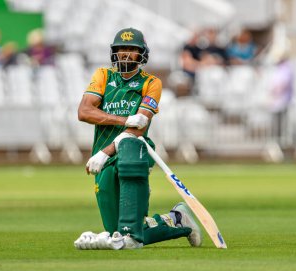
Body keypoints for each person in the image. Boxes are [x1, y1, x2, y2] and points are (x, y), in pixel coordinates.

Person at [75, 27, 202, 250]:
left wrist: (107, 151)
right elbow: (84, 112)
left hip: (133, 151)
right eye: (121, 49)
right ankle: (177, 220)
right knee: (119, 232)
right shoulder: (103, 76)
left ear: (142, 54)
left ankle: (169, 220)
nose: (125, 54)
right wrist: (124, 120)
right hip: (102, 153)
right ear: (114, 52)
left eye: (131, 49)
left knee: (127, 235)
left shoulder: (151, 83)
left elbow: (140, 126)